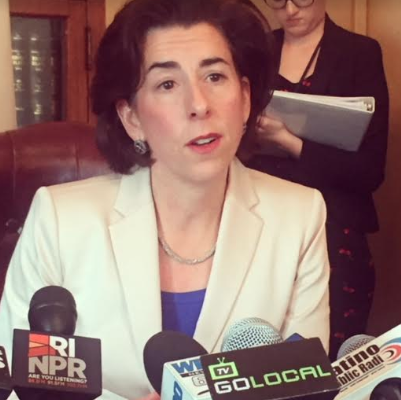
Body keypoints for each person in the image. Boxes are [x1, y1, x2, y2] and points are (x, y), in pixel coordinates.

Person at [0, 0, 330, 398]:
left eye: (214, 76)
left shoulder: (299, 216)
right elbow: (18, 386)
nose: (199, 105)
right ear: (131, 117)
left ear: (245, 98)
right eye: (167, 84)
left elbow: (305, 387)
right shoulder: (60, 220)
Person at [248, 0, 389, 360]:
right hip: (265, 225)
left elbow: (370, 170)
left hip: (336, 232)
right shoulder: (257, 50)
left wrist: (288, 141)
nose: (290, 10)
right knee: (263, 360)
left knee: (331, 361)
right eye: (277, 1)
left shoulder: (359, 53)